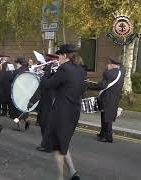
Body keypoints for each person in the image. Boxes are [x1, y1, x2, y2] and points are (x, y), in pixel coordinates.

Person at [29, 44, 86, 180]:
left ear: (64, 56)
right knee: (63, 143)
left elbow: (47, 85)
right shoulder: (80, 69)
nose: (58, 57)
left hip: (61, 112)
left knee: (57, 147)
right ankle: (73, 172)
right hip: (74, 111)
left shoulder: (64, 69)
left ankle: (60, 178)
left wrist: (46, 71)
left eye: (59, 55)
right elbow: (66, 84)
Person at [88, 57, 125, 143]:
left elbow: (102, 85)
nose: (107, 65)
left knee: (106, 118)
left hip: (108, 97)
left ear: (112, 65)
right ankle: (102, 134)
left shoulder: (110, 74)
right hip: (114, 97)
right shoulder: (121, 71)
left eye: (109, 64)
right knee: (106, 116)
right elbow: (122, 67)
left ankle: (107, 137)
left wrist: (88, 85)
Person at [30, 53, 59, 151]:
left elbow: (42, 87)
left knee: (45, 124)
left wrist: (32, 100)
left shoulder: (53, 74)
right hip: (48, 101)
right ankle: (47, 144)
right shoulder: (53, 73)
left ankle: (47, 146)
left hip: (49, 102)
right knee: (45, 124)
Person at [9, 57, 30, 131]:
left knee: (15, 109)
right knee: (22, 108)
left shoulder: (16, 71)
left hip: (16, 91)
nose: (16, 65)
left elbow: (11, 79)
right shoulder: (27, 70)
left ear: (19, 63)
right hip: (25, 92)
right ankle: (26, 120)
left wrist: (11, 72)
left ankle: (19, 126)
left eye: (16, 63)